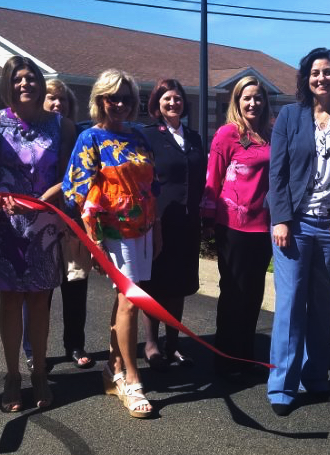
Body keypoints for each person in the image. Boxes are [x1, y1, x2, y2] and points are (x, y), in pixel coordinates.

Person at [266, 47, 330, 416]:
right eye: (314, 72)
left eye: (327, 72)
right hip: (293, 226)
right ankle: (282, 387)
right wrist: (279, 218)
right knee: (291, 306)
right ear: (305, 78)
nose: (320, 78)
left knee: (323, 306)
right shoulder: (290, 117)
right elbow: (276, 172)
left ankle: (316, 377)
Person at [0, 56, 76, 412]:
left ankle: (38, 374)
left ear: (40, 83)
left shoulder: (62, 126)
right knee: (10, 301)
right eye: (17, 78)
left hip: (45, 224)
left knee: (39, 300)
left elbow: (69, 178)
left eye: (31, 77)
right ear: (8, 84)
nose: (25, 84)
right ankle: (12, 375)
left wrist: (42, 202)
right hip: (5, 226)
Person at [63, 69, 159, 419]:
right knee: (131, 302)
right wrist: (94, 240)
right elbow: (76, 192)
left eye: (126, 98)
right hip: (112, 234)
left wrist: (157, 227)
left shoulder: (139, 137)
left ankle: (113, 367)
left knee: (127, 301)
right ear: (100, 100)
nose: (119, 104)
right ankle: (131, 379)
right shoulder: (90, 139)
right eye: (111, 97)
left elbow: (152, 185)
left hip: (144, 230)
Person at [203, 76, 273, 379]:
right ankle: (225, 355)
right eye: (247, 98)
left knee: (254, 291)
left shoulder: (271, 135)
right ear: (237, 101)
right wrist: (206, 222)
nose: (252, 103)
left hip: (265, 226)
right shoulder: (227, 134)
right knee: (233, 290)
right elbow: (212, 179)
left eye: (258, 97)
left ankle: (245, 353)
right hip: (232, 225)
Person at [21, 78, 94, 371]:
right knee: (38, 290)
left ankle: (74, 345)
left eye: (63, 99)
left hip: (73, 220)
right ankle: (32, 349)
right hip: (40, 220)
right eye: (52, 98)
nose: (58, 104)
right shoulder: (35, 135)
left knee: (75, 285)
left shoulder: (79, 134)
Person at [138, 79, 206, 371]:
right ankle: (151, 344)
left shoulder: (194, 137)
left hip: (188, 221)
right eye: (167, 99)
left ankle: (173, 343)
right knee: (155, 283)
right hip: (160, 221)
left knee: (179, 285)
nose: (173, 103)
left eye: (177, 98)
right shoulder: (148, 136)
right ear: (157, 103)